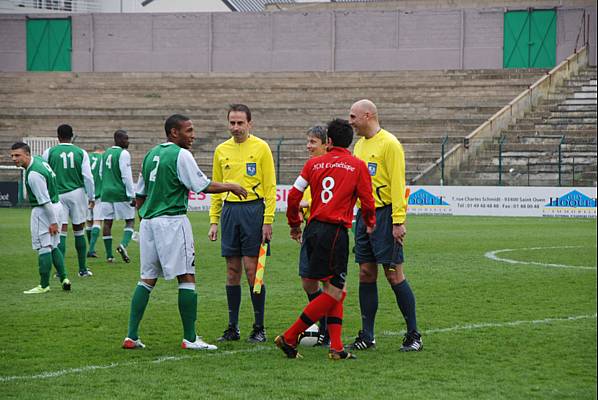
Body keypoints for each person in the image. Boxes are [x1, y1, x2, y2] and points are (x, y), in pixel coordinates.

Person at [122, 114, 247, 350]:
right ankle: (190, 338)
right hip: (172, 221)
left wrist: (145, 217)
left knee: (147, 278)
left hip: (149, 223)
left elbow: (140, 194)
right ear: (174, 133)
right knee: (187, 277)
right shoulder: (181, 155)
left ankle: (131, 336)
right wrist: (231, 185)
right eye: (188, 131)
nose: (193, 135)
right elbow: (202, 185)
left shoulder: (151, 154)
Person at [275, 118, 376, 360]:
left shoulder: (314, 164)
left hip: (312, 229)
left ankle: (337, 348)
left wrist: (293, 224)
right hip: (334, 232)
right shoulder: (358, 166)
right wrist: (370, 223)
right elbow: (368, 200)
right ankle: (289, 337)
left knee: (337, 289)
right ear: (350, 142)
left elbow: (293, 195)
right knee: (334, 291)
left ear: (329, 141)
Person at [348, 99, 422, 352]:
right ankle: (367, 335)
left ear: (368, 115)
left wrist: (398, 221)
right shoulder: (359, 145)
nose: (350, 122)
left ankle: (414, 335)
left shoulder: (390, 144)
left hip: (386, 215)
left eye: (353, 116)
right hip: (364, 216)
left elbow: (398, 184)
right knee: (366, 273)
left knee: (394, 275)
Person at [208, 104, 276, 344]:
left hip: (253, 211)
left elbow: (269, 187)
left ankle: (259, 327)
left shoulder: (261, 148)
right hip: (229, 212)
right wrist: (214, 221)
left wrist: (267, 220)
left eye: (240, 123)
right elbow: (216, 188)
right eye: (232, 123)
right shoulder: (221, 150)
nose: (235, 127)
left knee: (252, 271)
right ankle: (232, 327)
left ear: (250, 124)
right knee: (231, 270)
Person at [11, 142, 71, 293]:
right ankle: (64, 278)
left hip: (44, 210)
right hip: (57, 206)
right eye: (12, 155)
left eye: (17, 155)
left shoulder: (33, 175)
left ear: (27, 154)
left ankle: (44, 285)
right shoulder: (39, 160)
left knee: (43, 247)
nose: (14, 158)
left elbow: (44, 200)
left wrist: (52, 222)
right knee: (54, 245)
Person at [43, 124, 94, 277]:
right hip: (77, 194)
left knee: (61, 232)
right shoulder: (81, 152)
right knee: (79, 230)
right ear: (72, 136)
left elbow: (45, 174)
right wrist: (92, 197)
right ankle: (83, 269)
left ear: (58, 136)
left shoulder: (49, 152)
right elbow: (88, 177)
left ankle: (60, 271)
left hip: (58, 195)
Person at [297, 125, 330, 346]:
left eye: (313, 142)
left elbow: (333, 197)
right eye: (308, 142)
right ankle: (323, 322)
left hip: (328, 230)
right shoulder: (310, 166)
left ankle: (327, 332)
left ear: (326, 144)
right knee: (308, 281)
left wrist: (307, 203)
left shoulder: (332, 166)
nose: (309, 146)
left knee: (328, 282)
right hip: (311, 228)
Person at [101, 130, 136, 264]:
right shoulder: (123, 153)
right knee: (130, 220)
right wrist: (132, 194)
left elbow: (100, 172)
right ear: (119, 140)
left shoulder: (105, 153)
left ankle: (109, 256)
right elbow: (126, 175)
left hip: (106, 192)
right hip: (119, 192)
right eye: (126, 139)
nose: (128, 141)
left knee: (107, 222)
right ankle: (123, 245)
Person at [86, 145, 104, 258]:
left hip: (87, 193)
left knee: (89, 222)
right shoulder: (103, 158)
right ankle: (91, 249)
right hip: (99, 193)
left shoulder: (87, 157)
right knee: (97, 222)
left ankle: (90, 248)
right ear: (101, 151)